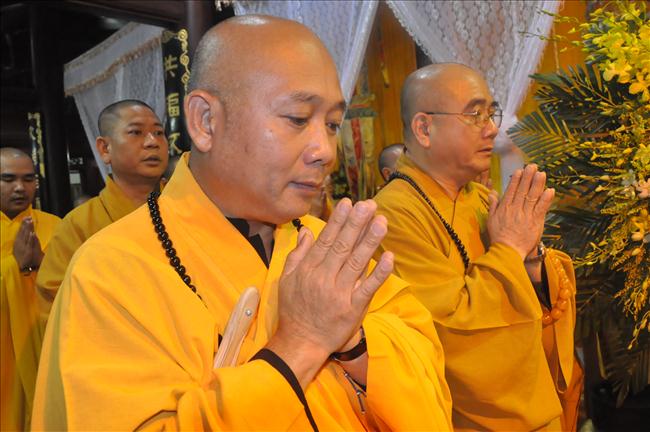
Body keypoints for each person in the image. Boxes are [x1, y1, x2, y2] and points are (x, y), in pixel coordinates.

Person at [32, 16, 452, 431]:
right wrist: (301, 343)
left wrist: (355, 343)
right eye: (297, 118)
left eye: (331, 125)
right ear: (205, 121)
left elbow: (425, 368)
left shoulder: (328, 246)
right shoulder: (111, 270)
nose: (326, 150)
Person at [374, 63, 582, 431]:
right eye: (475, 115)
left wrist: (532, 260)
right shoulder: (391, 216)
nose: (492, 129)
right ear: (424, 129)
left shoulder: (480, 198)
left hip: (536, 409)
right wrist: (510, 249)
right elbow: (449, 332)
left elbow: (537, 299)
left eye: (490, 113)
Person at [36, 100, 168, 318]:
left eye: (159, 132)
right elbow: (56, 301)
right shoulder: (78, 225)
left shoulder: (189, 209)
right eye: (136, 132)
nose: (152, 142)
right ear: (105, 148)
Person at [0, 148, 60, 431]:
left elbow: (71, 288)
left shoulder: (56, 227)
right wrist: (15, 267)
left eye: (28, 179)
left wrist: (42, 264)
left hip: (43, 347)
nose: (20, 187)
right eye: (8, 179)